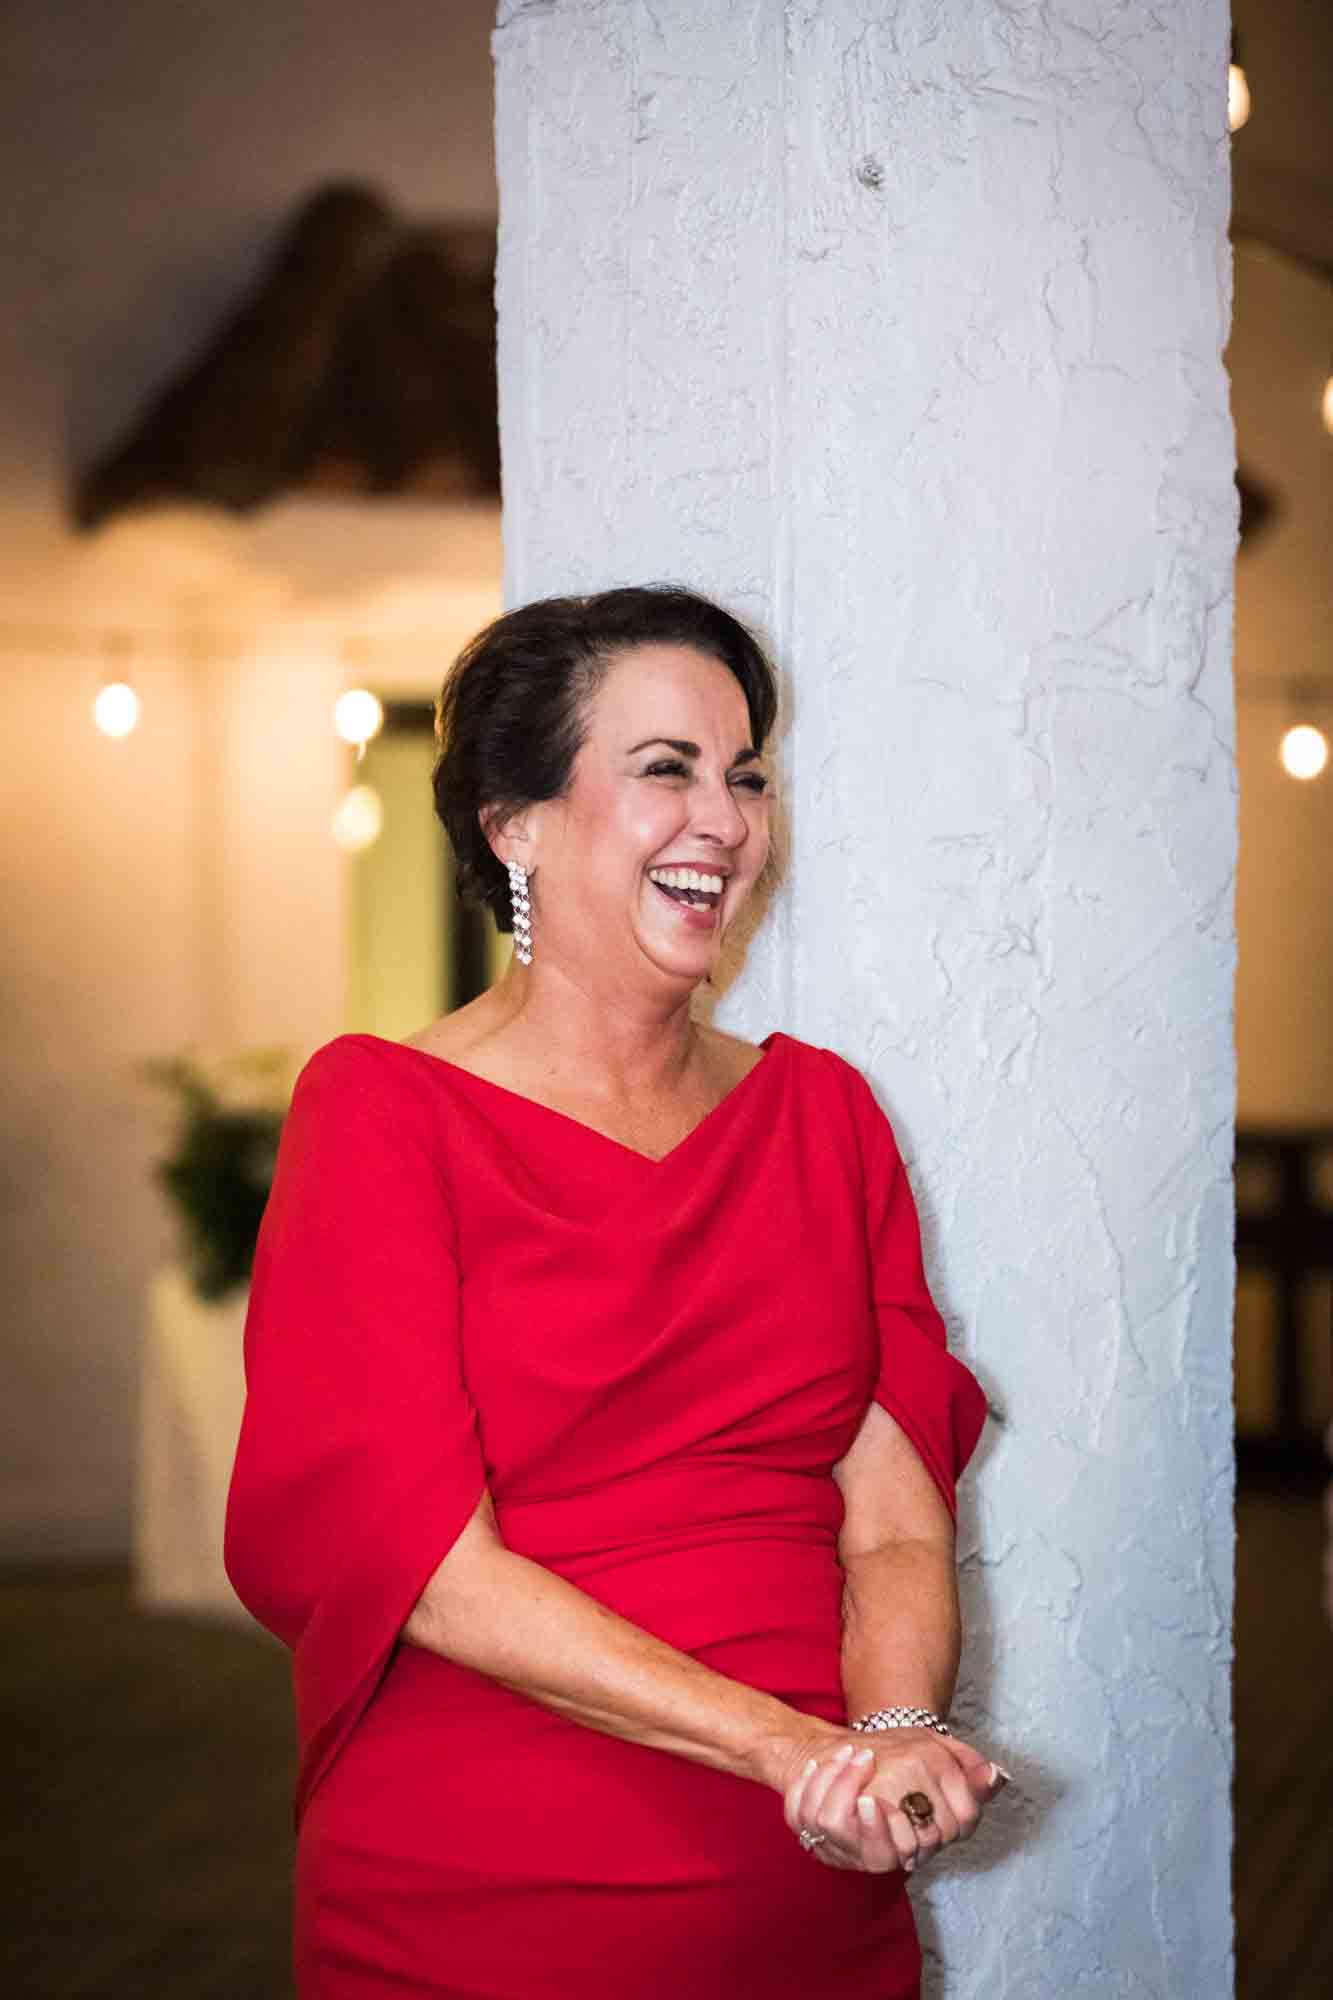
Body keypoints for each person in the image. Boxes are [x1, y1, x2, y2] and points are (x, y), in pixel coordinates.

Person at [225, 585, 1003, 2000]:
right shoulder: (384, 1112)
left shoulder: (822, 1115)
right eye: (665, 770)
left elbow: (893, 1517)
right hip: (495, 1873)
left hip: (806, 1872)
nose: (725, 817)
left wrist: (887, 1743)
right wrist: (784, 1746)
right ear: (509, 824)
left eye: (745, 775)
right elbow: (433, 1576)